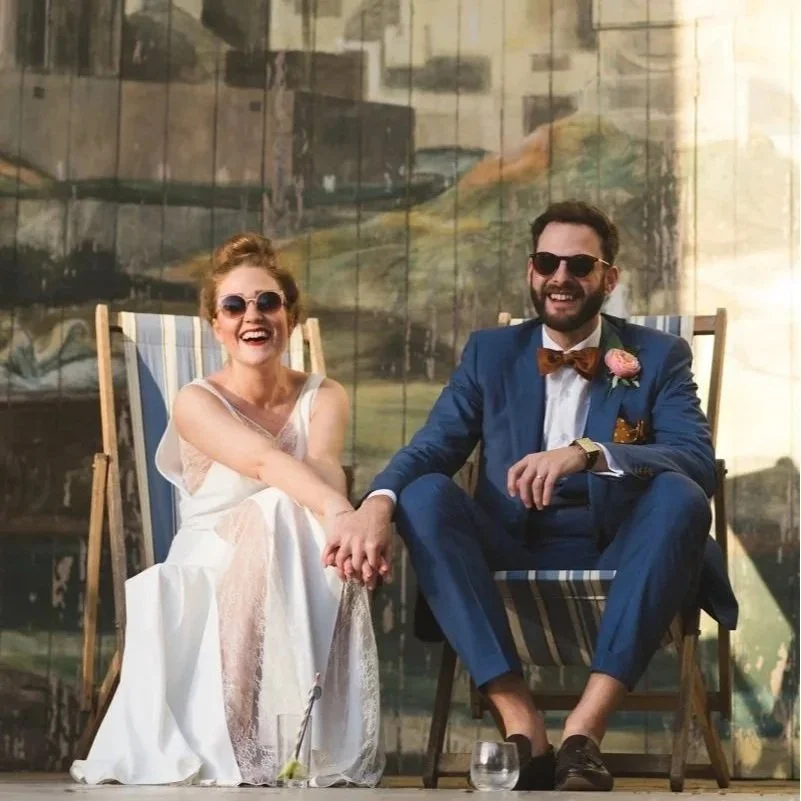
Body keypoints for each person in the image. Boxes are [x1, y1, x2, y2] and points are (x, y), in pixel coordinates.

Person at [324, 200, 738, 791]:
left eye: (579, 264)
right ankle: (524, 728)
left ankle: (582, 733)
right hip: (510, 544)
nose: (561, 278)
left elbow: (696, 461)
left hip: (619, 551)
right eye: (548, 262)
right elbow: (434, 445)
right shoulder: (490, 353)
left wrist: (590, 451)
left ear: (609, 278)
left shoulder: (658, 356)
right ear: (531, 270)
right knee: (423, 494)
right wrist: (376, 502)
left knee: (681, 496)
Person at [71, 233, 384, 787]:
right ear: (215, 325)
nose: (252, 317)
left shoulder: (325, 393)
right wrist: (347, 520)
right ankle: (243, 729)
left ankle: (292, 738)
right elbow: (264, 463)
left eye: (268, 302)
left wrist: (341, 522)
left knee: (286, 515)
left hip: (302, 556)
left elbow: (326, 469)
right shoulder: (196, 401)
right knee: (275, 508)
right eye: (234, 306)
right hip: (211, 559)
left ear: (289, 313)